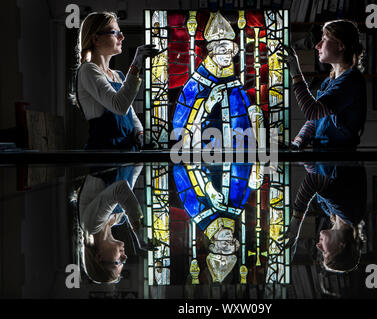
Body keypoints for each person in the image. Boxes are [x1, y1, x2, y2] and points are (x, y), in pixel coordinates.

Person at [172, 12, 262, 151]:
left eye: (230, 51)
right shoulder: (194, 84)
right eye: (223, 50)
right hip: (203, 154)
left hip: (236, 154)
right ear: (212, 51)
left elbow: (242, 118)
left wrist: (253, 114)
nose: (228, 56)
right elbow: (179, 124)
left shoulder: (234, 83)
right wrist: (206, 105)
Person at [75, 12, 159, 151]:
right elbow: (119, 106)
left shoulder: (118, 75)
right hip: (104, 157)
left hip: (127, 153)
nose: (121, 37)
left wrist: (140, 134)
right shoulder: (88, 70)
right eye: (114, 32)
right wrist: (136, 63)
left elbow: (130, 114)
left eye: (120, 32)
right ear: (96, 39)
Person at [282, 20, 367, 151]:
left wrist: (296, 75)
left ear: (340, 45)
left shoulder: (351, 81)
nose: (317, 45)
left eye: (324, 39)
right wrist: (298, 141)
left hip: (341, 162)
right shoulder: (329, 81)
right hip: (323, 160)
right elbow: (316, 120)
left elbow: (312, 111)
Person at [283, 163, 367, 273]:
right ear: (341, 246)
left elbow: (318, 175)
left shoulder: (331, 212)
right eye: (325, 253)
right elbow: (313, 181)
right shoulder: (348, 211)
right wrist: (296, 221)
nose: (318, 246)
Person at [77, 165, 144, 283]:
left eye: (118, 262)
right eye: (124, 262)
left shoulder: (91, 225)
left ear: (99, 257)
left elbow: (120, 188)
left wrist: (136, 219)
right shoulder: (118, 219)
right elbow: (131, 178)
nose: (125, 257)